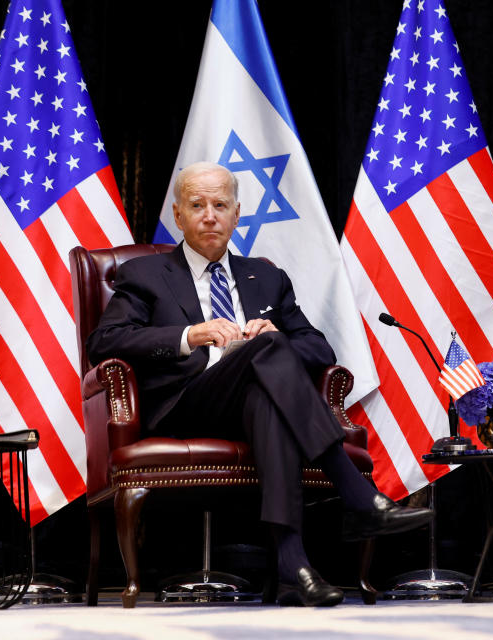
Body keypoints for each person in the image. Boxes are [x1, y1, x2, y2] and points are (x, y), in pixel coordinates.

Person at [87, 162, 433, 607]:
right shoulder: (146, 275)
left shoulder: (266, 276)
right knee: (269, 358)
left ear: (236, 215)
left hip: (255, 401)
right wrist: (190, 335)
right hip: (186, 404)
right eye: (197, 205)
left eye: (220, 205)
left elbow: (318, 348)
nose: (209, 215)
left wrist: (274, 336)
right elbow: (105, 342)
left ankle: (294, 567)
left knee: (268, 380)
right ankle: (357, 494)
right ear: (178, 215)